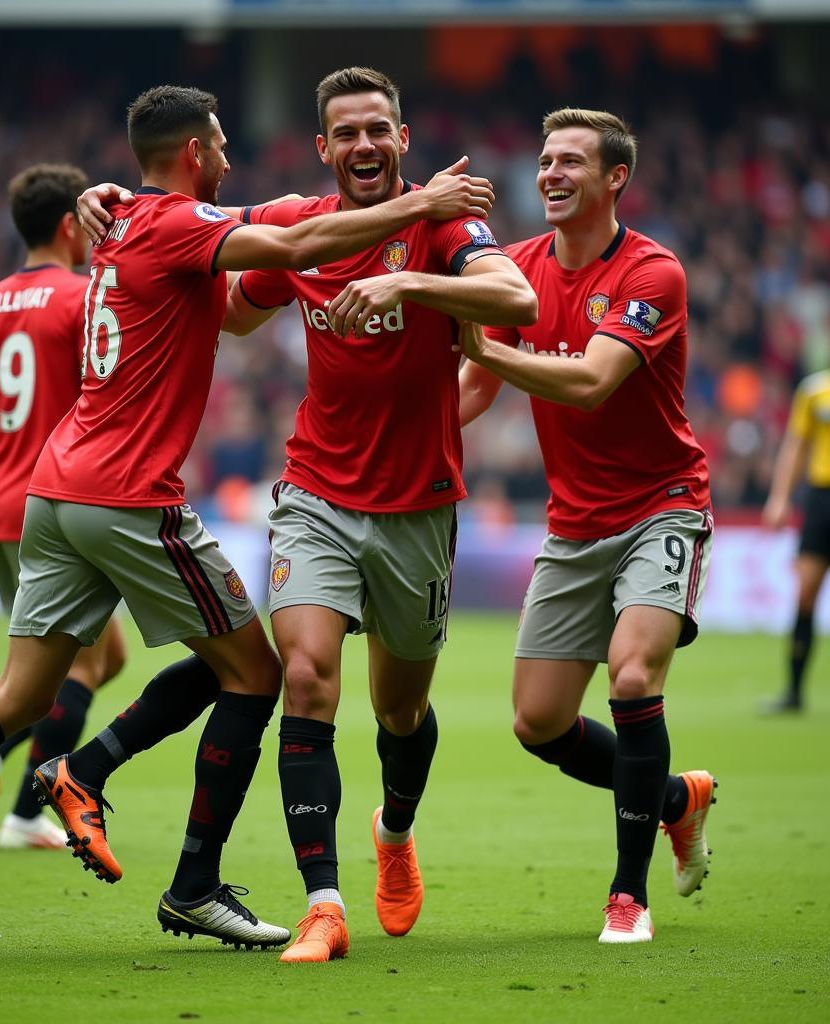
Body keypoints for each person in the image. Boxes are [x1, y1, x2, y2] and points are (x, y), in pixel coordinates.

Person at [0, 83, 493, 950]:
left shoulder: (127, 224)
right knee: (257, 674)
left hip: (55, 488)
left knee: (23, 693)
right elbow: (293, 236)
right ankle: (188, 879)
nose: (227, 159)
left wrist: (97, 192)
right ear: (192, 154)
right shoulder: (181, 225)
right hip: (128, 497)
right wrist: (423, 201)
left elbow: (277, 231)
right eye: (218, 146)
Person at [77, 66, 536, 964]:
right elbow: (231, 310)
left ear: (402, 138)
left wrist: (411, 290)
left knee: (401, 712)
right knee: (308, 677)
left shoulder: (446, 223)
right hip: (316, 496)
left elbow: (515, 300)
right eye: (347, 134)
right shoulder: (303, 229)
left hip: (417, 509)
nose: (365, 146)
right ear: (324, 148)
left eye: (379, 130)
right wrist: (120, 208)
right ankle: (324, 905)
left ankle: (394, 835)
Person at [458, 108, 718, 944]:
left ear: (616, 180)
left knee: (634, 676)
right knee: (537, 723)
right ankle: (677, 799)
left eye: (573, 160)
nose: (552, 172)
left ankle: (628, 896)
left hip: (661, 505)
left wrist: (483, 349)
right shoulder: (520, 270)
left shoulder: (654, 272)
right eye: (544, 159)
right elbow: (473, 387)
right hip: (574, 524)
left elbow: (591, 382)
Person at [0, 164, 127, 851]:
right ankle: (19, 803)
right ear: (67, 225)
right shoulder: (82, 299)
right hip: (58, 505)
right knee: (76, 667)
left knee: (97, 659)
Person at [761, 369, 830, 712]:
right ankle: (794, 692)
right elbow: (795, 446)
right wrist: (780, 498)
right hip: (821, 501)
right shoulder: (815, 391)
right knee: (805, 595)